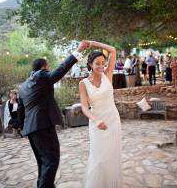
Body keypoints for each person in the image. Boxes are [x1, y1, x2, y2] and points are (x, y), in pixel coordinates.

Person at [17, 41, 88, 188]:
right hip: (42, 125)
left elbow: (21, 110)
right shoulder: (41, 76)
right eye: (48, 67)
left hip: (31, 129)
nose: (49, 69)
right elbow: (60, 70)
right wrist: (78, 50)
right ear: (44, 67)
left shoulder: (23, 85)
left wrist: (20, 128)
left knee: (43, 162)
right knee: (51, 160)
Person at [79, 40, 122, 188]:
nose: (101, 66)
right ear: (90, 64)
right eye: (97, 63)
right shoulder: (83, 83)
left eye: (103, 63)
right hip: (96, 121)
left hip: (113, 120)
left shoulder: (107, 75)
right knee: (98, 157)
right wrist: (95, 120)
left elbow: (113, 50)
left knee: (112, 155)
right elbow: (84, 107)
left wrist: (92, 43)